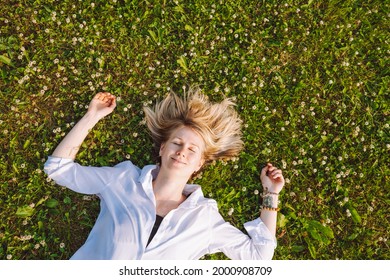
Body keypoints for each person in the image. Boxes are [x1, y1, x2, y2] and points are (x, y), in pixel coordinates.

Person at [44, 87, 285, 260]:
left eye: (192, 149)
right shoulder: (122, 181)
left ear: (199, 163)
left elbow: (258, 258)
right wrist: (92, 116)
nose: (182, 152)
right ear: (162, 148)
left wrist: (270, 195)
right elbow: (59, 169)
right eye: (177, 143)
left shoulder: (204, 219)